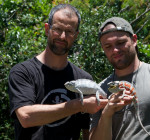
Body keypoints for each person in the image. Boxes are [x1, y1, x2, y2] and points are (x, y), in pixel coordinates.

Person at [8, 4, 107, 140]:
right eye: (57, 29)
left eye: (69, 31)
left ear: (76, 35)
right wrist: (79, 105)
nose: (62, 36)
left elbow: (87, 133)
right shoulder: (23, 72)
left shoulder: (83, 79)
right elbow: (26, 117)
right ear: (47, 29)